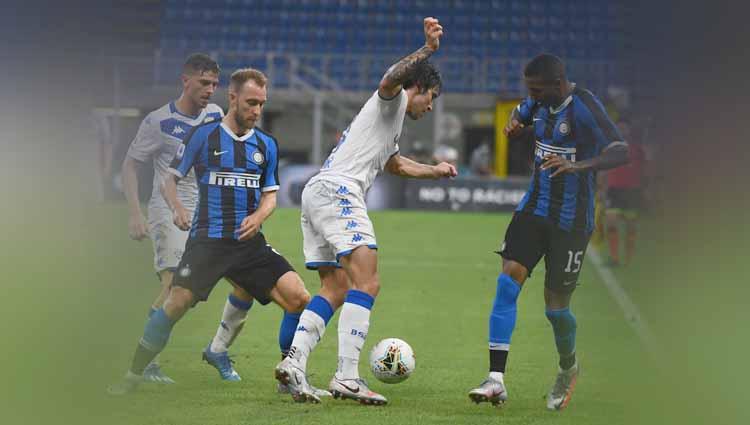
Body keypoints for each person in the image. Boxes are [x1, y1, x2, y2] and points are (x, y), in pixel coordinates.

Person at [274, 17, 457, 405]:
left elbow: (396, 165)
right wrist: (426, 50)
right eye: (432, 97)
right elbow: (388, 79)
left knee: (335, 287)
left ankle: (294, 363)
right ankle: (347, 376)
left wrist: (434, 170)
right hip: (340, 191)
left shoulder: (389, 125)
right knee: (367, 282)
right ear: (420, 87)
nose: (430, 107)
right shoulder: (392, 99)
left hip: (318, 192)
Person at [108, 68, 313, 395]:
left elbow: (270, 196)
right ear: (232, 98)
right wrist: (177, 208)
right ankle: (133, 375)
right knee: (175, 304)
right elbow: (169, 179)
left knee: (299, 298)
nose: (256, 111)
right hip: (208, 241)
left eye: (262, 104)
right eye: (250, 103)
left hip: (248, 244)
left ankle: (288, 377)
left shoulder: (266, 145)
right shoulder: (203, 136)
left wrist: (258, 216)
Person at [468, 54, 629, 410]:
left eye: (537, 90)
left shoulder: (585, 106)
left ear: (558, 84)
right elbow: (519, 115)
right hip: (532, 209)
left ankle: (568, 367)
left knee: (556, 309)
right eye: (530, 90)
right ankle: (495, 379)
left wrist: (577, 165)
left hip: (571, 222)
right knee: (507, 280)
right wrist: (513, 124)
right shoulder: (538, 101)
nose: (532, 96)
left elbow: (621, 150)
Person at [605, 120, 647, 267]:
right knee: (611, 223)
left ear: (629, 130)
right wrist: (599, 188)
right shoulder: (609, 148)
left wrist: (643, 188)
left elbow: (644, 169)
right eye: (619, 127)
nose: (622, 130)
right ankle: (614, 258)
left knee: (630, 227)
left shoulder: (638, 149)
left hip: (632, 191)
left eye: (624, 127)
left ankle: (629, 259)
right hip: (614, 190)